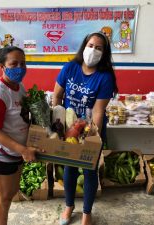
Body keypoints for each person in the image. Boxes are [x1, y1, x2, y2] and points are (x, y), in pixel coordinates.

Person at [53, 32, 118, 225]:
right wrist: (58, 126)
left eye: (99, 48)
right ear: (84, 46)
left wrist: (91, 138)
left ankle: (87, 213)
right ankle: (69, 206)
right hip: (68, 127)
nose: (93, 50)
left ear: (104, 52)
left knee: (90, 170)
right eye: (91, 45)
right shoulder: (70, 68)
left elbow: (98, 111)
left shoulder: (105, 77)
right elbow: (57, 96)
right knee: (69, 168)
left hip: (92, 128)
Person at [0, 46, 39, 225]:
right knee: (3, 199)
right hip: (0, 154)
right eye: (14, 64)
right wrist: (23, 149)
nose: (20, 68)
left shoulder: (18, 85)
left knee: (11, 192)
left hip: (15, 152)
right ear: (2, 66)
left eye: (23, 63)